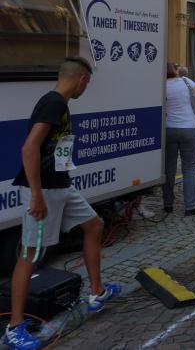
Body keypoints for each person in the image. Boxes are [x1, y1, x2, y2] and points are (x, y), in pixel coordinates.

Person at [4, 57, 121, 350]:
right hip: (43, 189)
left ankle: (97, 292)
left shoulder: (61, 104)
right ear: (81, 79)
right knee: (30, 254)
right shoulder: (53, 103)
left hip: (61, 184)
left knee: (95, 225)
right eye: (87, 84)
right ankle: (15, 327)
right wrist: (36, 194)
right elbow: (29, 147)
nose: (85, 89)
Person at [163, 62, 195, 216]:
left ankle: (168, 204)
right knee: (189, 167)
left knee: (169, 168)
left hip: (169, 129)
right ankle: (190, 206)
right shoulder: (186, 81)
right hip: (189, 128)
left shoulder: (160, 85)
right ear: (175, 70)